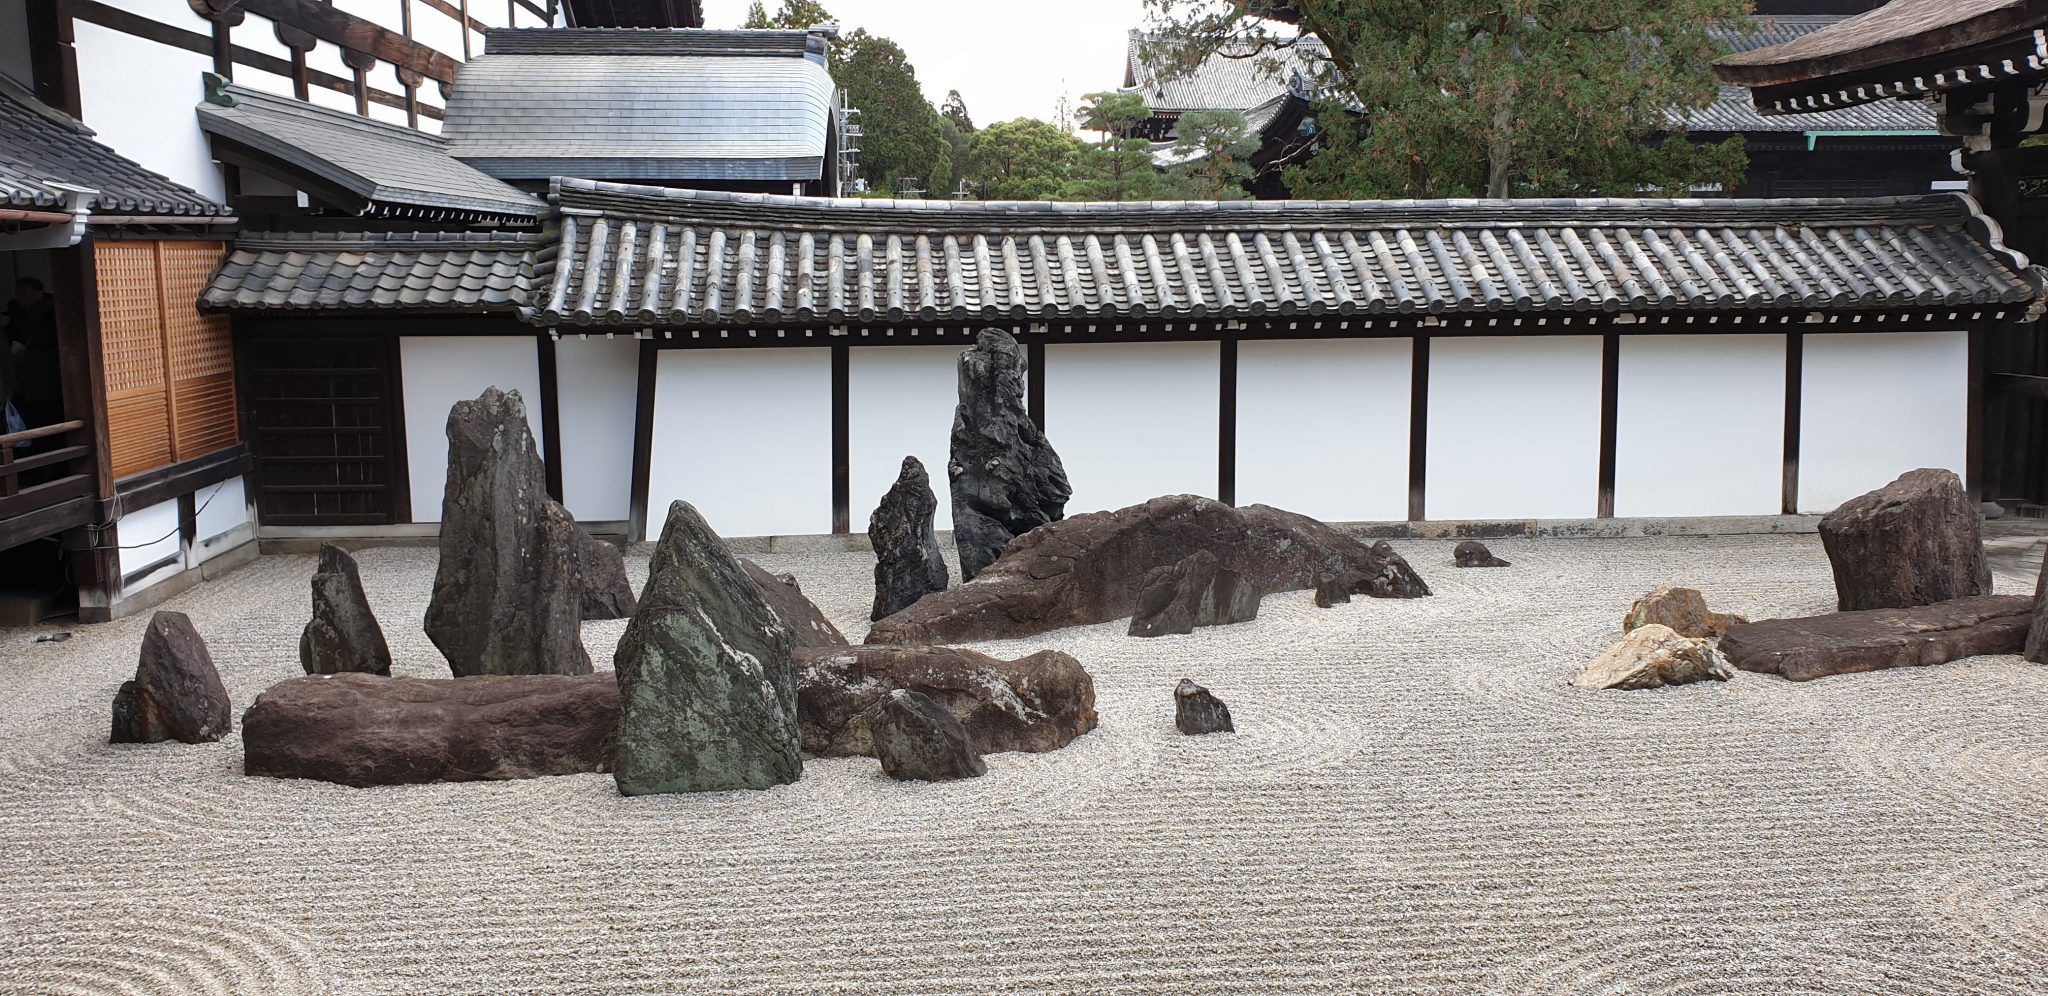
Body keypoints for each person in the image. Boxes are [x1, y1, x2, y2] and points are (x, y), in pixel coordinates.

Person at [4, 277, 60, 429]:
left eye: (24, 293)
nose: (19, 297)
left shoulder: (54, 315)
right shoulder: (17, 317)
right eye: (17, 293)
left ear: (38, 293)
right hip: (24, 384)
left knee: (49, 422)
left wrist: (30, 356)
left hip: (49, 382)